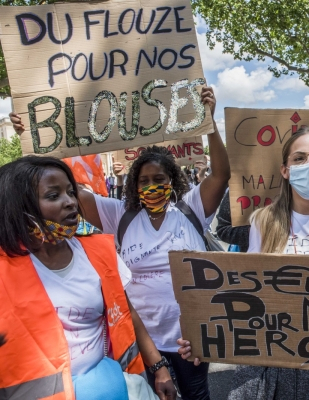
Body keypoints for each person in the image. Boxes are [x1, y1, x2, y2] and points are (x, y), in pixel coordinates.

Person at [9, 86, 229, 400]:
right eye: (144, 181)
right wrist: (37, 138)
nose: (152, 186)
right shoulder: (120, 215)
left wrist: (210, 121)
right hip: (144, 341)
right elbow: (71, 192)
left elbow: (221, 174)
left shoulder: (190, 209)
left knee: (197, 395)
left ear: (172, 182)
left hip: (190, 337)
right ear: (134, 184)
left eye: (159, 180)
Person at [178, 127, 309, 400]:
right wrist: (205, 335)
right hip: (269, 361)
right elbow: (246, 292)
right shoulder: (263, 222)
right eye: (299, 159)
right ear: (285, 170)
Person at [0, 156, 176, 400]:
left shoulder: (99, 252)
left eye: (71, 192)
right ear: (20, 206)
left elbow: (127, 312)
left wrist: (159, 367)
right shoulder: (4, 268)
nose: (71, 202)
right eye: (53, 196)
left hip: (122, 389)